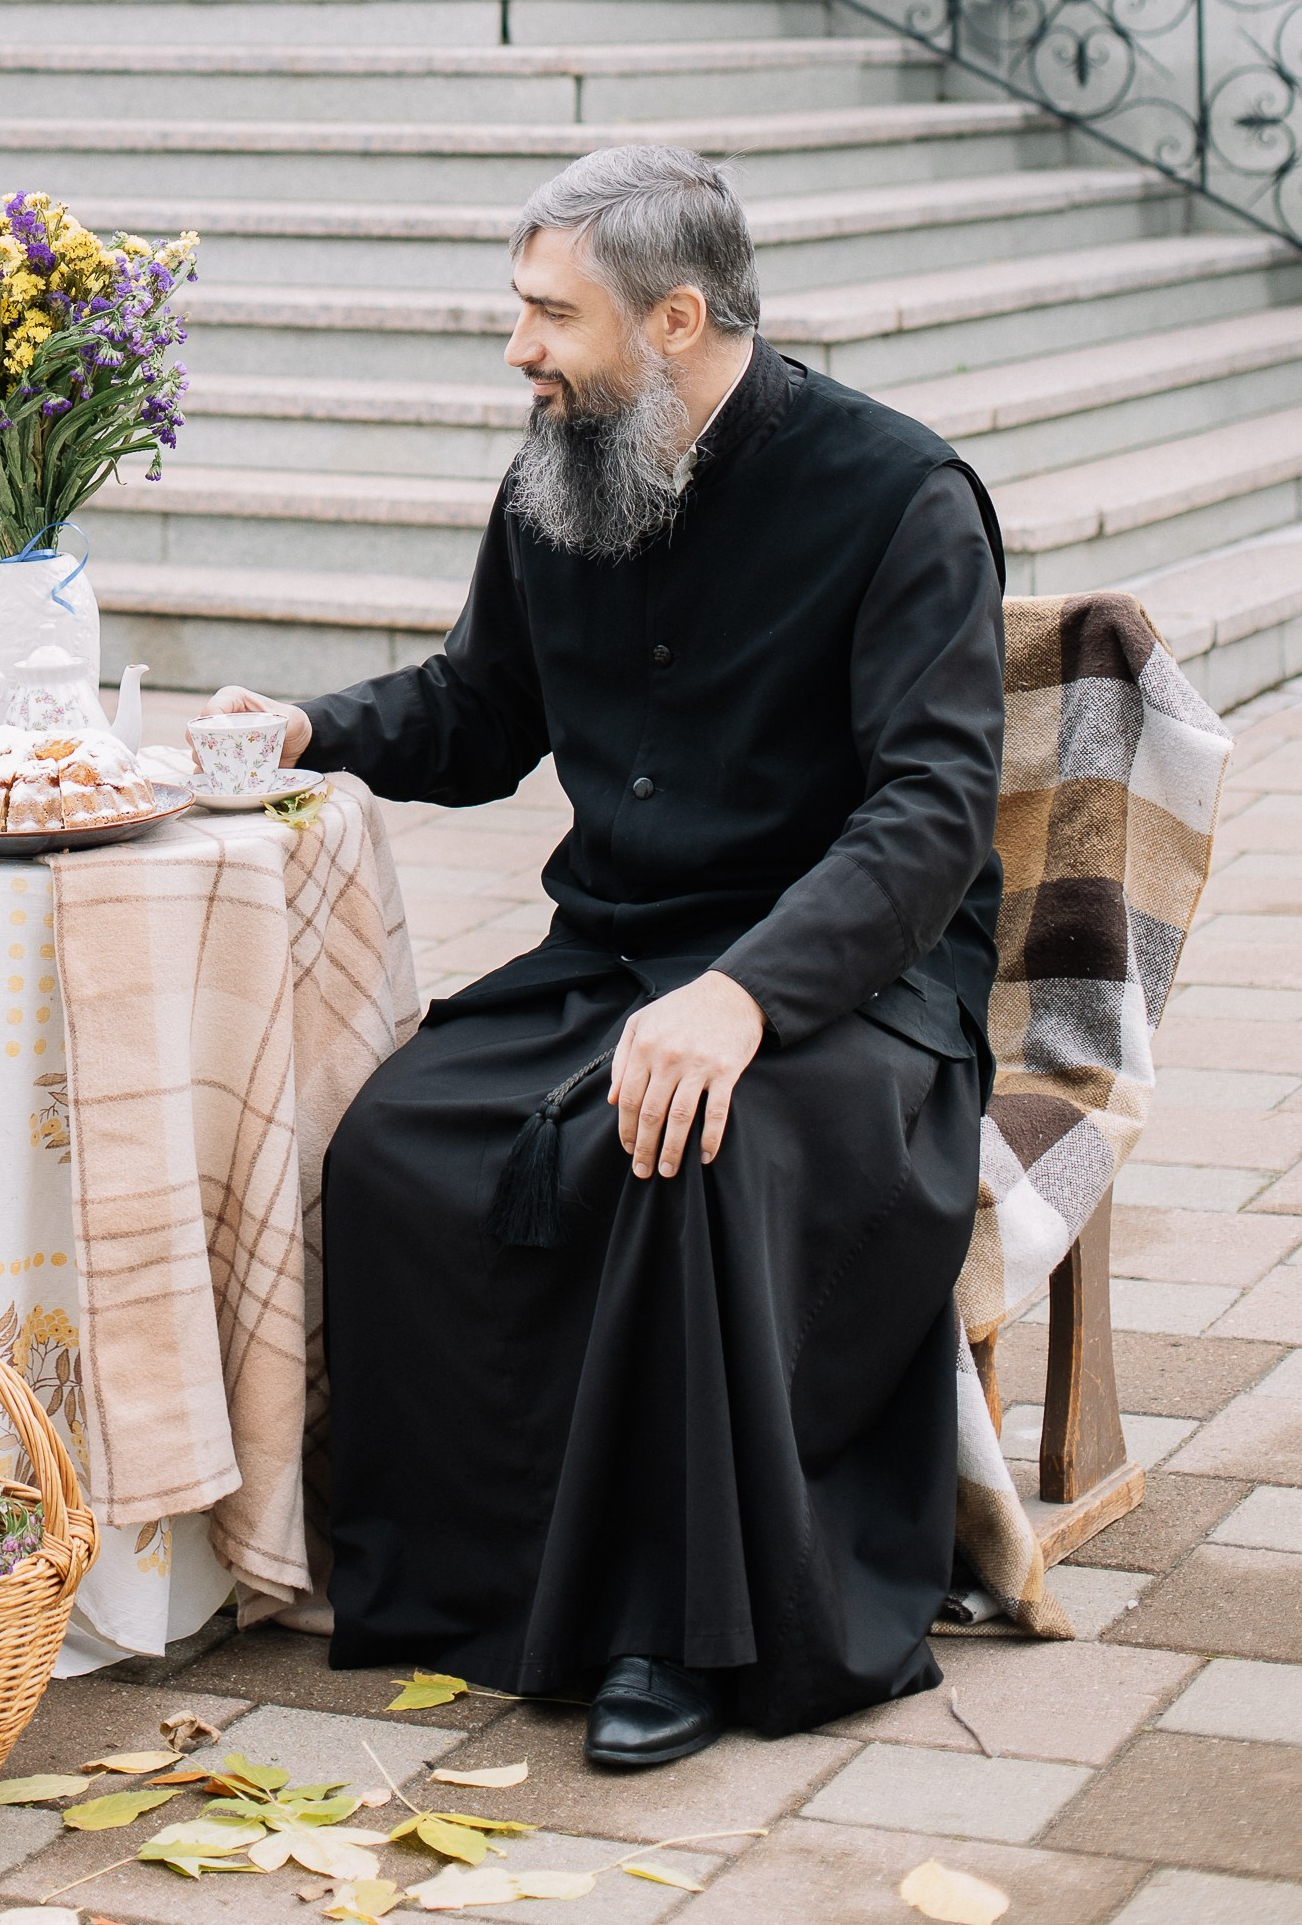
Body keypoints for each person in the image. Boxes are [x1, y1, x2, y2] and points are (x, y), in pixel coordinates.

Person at [200, 142, 1004, 1767]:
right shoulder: (563, 463)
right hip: (620, 950)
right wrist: (303, 726)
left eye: (550, 315)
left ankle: (687, 1634)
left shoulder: (898, 495)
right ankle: (462, 1590)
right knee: (396, 1142)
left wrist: (741, 998)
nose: (521, 350)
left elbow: (927, 817)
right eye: (519, 312)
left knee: (687, 1150)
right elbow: (478, 710)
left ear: (681, 318)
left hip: (851, 986)